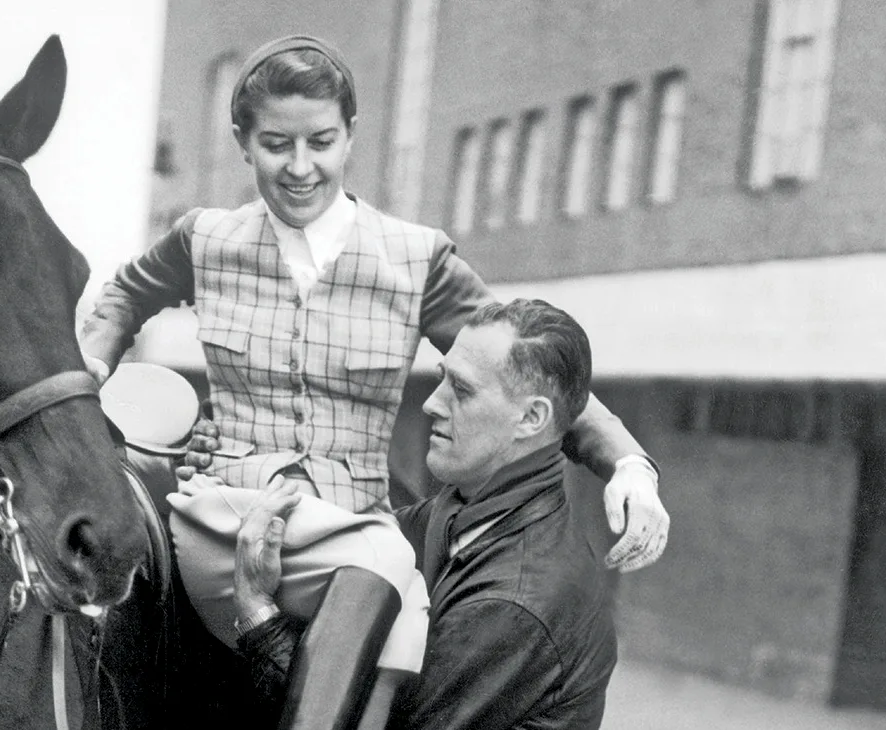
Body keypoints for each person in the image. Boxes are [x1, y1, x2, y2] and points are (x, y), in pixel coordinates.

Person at [80, 34, 667, 730]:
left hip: (351, 529)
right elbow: (123, 297)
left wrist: (627, 464)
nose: (301, 167)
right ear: (243, 142)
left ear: (351, 135)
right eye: (276, 144)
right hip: (234, 515)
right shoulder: (204, 239)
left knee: (396, 595)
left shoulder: (416, 260)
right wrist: (90, 368)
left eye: (322, 142)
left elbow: (532, 373)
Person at [232, 299, 624, 729]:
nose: (432, 404)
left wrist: (258, 614)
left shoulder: (513, 602)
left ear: (531, 417)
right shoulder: (466, 511)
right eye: (442, 379)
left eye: (463, 390)